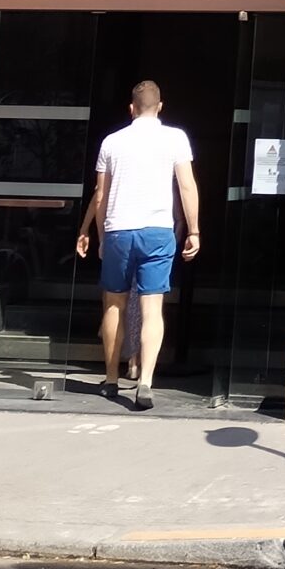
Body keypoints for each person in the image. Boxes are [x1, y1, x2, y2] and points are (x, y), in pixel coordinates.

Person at [75, 80, 200, 410]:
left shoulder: (111, 142)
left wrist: (99, 236)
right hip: (158, 231)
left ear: (131, 108)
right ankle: (145, 380)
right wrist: (194, 230)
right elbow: (187, 187)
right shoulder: (175, 138)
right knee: (152, 309)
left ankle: (112, 379)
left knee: (113, 304)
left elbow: (101, 196)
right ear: (160, 106)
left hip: (119, 230)